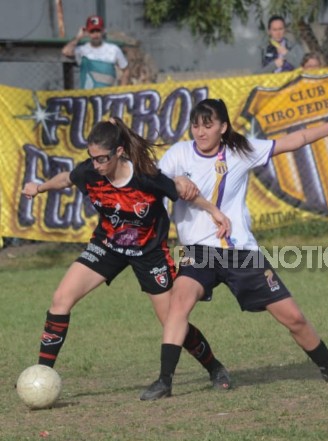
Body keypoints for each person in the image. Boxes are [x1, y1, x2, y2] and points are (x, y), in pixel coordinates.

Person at [139, 99, 328, 400]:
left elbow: (295, 140)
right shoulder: (179, 154)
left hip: (240, 253)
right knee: (178, 308)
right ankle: (164, 382)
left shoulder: (240, 150)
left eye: (208, 125)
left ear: (223, 127)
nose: (200, 132)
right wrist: (174, 179)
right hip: (198, 252)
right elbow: (150, 180)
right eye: (196, 125)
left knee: (293, 318)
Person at [21, 117, 232, 391]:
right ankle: (42, 378)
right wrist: (39, 188)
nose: (96, 165)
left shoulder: (146, 177)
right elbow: (67, 178)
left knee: (172, 320)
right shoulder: (90, 172)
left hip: (149, 253)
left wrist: (214, 211)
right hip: (108, 246)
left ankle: (215, 368)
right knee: (61, 299)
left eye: (102, 159)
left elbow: (184, 193)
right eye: (92, 158)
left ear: (119, 152)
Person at [61, 15, 129, 89]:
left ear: (103, 31)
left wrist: (122, 91)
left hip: (109, 96)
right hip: (88, 97)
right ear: (87, 32)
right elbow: (66, 51)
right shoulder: (82, 50)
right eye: (92, 31)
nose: (95, 35)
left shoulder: (114, 49)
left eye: (98, 31)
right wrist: (79, 36)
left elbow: (126, 70)